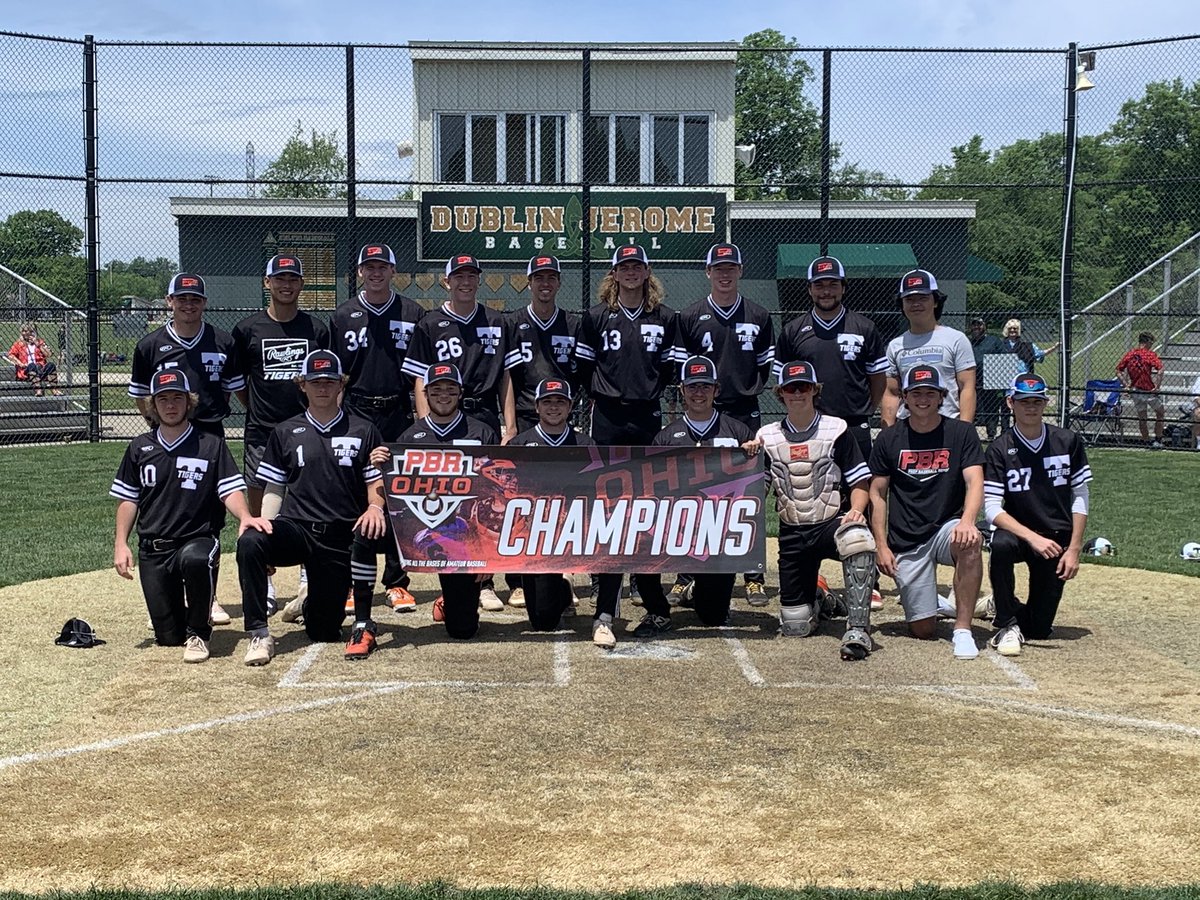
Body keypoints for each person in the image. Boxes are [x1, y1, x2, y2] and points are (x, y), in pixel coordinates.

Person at [236, 350, 387, 666]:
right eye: (315, 381)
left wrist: (375, 507)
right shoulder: (286, 430)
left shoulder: (363, 429)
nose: (323, 387)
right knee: (251, 541)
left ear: (341, 385)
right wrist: (265, 523)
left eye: (330, 381)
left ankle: (308, 603)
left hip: (339, 535)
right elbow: (275, 487)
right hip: (297, 527)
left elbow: (375, 485)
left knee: (323, 630)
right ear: (302, 385)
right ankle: (259, 632)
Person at [110, 369, 270, 663]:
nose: (170, 405)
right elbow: (128, 499)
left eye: (177, 398)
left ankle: (200, 631)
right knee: (168, 637)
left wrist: (245, 516)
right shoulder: (139, 448)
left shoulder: (210, 444)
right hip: (154, 547)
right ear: (152, 406)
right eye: (163, 399)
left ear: (189, 402)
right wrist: (121, 543)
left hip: (197, 538)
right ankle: (184, 617)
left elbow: (229, 488)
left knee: (196, 559)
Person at [576, 244, 682, 649]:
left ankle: (650, 591)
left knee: (647, 505)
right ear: (614, 273)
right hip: (608, 417)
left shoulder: (665, 318)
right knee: (608, 508)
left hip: (647, 416)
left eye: (638, 266)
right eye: (625, 267)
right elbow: (583, 369)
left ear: (647, 271)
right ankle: (606, 605)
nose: (631, 272)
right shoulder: (597, 317)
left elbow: (671, 370)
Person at [128, 273, 244, 625]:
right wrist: (159, 428)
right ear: (169, 301)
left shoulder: (223, 341)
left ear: (204, 303)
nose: (188, 305)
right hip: (166, 436)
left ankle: (208, 597)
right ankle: (166, 593)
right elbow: (140, 396)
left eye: (195, 299)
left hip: (207, 433)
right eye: (182, 298)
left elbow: (229, 390)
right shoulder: (150, 345)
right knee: (165, 510)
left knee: (209, 516)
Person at [403, 253, 517, 612]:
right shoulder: (430, 322)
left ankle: (487, 580)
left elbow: (505, 376)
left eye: (471, 276)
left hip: (481, 412)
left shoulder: (496, 320)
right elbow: (420, 377)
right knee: (449, 500)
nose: (465, 282)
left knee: (485, 498)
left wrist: (509, 425)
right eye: (458, 276)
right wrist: (427, 427)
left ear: (478, 280)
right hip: (443, 413)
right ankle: (450, 575)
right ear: (446, 281)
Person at [774, 255, 888, 610]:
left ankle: (866, 581)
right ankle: (814, 575)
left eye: (832, 284)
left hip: (851, 427)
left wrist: (865, 414)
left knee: (858, 501)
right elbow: (784, 382)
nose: (826, 290)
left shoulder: (864, 327)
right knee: (808, 497)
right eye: (819, 284)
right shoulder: (794, 330)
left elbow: (878, 381)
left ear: (843, 287)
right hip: (809, 431)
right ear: (809, 289)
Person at [754, 361, 877, 660]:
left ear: (814, 391)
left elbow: (860, 480)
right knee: (796, 626)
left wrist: (857, 510)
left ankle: (859, 627)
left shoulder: (836, 429)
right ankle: (821, 598)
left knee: (858, 539)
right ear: (780, 393)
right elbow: (759, 491)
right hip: (792, 531)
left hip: (828, 523)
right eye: (790, 388)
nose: (797, 393)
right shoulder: (766, 436)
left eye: (804, 387)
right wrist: (748, 460)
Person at [675, 243, 775, 606]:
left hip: (743, 410)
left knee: (749, 493)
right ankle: (686, 573)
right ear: (708, 273)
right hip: (702, 411)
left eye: (731, 268)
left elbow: (767, 366)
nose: (725, 274)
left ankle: (753, 575)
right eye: (718, 269)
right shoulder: (691, 316)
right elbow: (681, 370)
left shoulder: (760, 316)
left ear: (740, 271)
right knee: (694, 491)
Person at [329, 243, 426, 614]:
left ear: (393, 271)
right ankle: (357, 581)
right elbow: (336, 376)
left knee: (398, 494)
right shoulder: (343, 315)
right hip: (356, 409)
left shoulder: (413, 312)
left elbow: (419, 374)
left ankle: (397, 582)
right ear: (358, 272)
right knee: (359, 495)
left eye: (382, 266)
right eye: (368, 266)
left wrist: (420, 418)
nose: (375, 272)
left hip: (398, 409)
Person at [232, 254, 330, 611]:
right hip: (262, 432)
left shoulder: (316, 329)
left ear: (301, 284)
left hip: (308, 431)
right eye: (280, 278)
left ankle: (308, 578)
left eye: (293, 279)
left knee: (308, 500)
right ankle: (266, 582)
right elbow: (241, 385)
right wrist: (261, 410)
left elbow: (326, 380)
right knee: (260, 510)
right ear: (267, 283)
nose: (286, 285)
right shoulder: (248, 330)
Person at [869, 364, 986, 659]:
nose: (923, 399)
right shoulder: (889, 438)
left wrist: (968, 521)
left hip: (947, 526)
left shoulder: (961, 432)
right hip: (907, 537)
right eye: (916, 392)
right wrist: (881, 546)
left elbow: (975, 482)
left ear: (942, 396)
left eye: (930, 393)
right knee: (923, 630)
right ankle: (934, 602)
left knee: (970, 542)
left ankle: (962, 629)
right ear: (905, 397)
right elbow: (878, 495)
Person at [638, 356, 760, 635]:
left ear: (717, 390)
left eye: (705, 386)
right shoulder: (667, 437)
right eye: (692, 387)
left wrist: (753, 456)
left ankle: (696, 590)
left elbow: (757, 481)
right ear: (682, 390)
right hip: (676, 525)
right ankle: (657, 610)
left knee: (713, 617)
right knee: (641, 542)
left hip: (717, 531)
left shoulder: (738, 432)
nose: (699, 393)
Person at [983, 373, 1092, 655]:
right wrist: (1032, 537)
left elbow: (1080, 496)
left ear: (1045, 403)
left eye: (1036, 401)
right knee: (1001, 544)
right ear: (1010, 402)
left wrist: (1074, 549)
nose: (1030, 407)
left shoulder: (1067, 441)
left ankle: (1000, 604)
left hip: (1055, 537)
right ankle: (1006, 621)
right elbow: (993, 509)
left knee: (1039, 629)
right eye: (1023, 401)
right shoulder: (999, 448)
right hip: (1019, 533)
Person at [391, 363, 500, 639]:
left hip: (464, 536)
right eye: (436, 389)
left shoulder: (481, 432)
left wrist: (485, 556)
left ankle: (449, 600)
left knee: (462, 630)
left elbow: (494, 496)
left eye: (450, 389)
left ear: (460, 393)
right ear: (425, 394)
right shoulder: (409, 437)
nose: (443, 395)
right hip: (427, 530)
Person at [500, 255, 584, 608]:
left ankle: (562, 569)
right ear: (529, 281)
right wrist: (510, 426)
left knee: (562, 498)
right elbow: (506, 377)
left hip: (561, 416)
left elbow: (582, 375)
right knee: (521, 500)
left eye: (551, 277)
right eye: (539, 277)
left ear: (559, 282)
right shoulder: (514, 322)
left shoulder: (573, 323)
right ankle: (517, 579)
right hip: (525, 417)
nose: (545, 283)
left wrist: (576, 420)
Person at [508, 377, 595, 631]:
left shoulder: (586, 445)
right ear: (536, 407)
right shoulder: (520, 444)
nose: (554, 407)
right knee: (542, 620)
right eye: (547, 402)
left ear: (570, 407)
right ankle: (563, 589)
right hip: (533, 533)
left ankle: (562, 582)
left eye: (560, 402)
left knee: (547, 619)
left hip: (571, 529)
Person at [881, 269, 976, 427]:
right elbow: (891, 393)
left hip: (948, 427)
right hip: (907, 430)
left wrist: (964, 431)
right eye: (909, 299)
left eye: (923, 298)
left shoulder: (956, 339)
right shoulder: (895, 345)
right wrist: (887, 434)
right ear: (902, 304)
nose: (916, 304)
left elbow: (967, 387)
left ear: (936, 301)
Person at [1115, 331, 1166, 448]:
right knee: (1161, 412)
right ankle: (1158, 439)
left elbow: (1118, 370)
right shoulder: (1149, 354)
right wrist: (1157, 386)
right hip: (1148, 389)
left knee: (1142, 417)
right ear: (1147, 341)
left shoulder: (1131, 354)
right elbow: (1160, 370)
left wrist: (1126, 385)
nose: (1152, 344)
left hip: (1135, 390)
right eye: (1151, 342)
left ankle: (1146, 441)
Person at [968, 317, 1008, 439]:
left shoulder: (994, 340)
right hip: (972, 380)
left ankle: (991, 435)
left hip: (991, 379)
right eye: (974, 325)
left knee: (992, 407)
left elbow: (1004, 357)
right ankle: (971, 436)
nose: (976, 327)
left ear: (984, 326)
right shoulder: (968, 342)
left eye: (979, 325)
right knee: (973, 408)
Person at [6, 322, 61, 395]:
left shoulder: (40, 342)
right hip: (26, 371)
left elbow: (48, 354)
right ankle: (38, 390)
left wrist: (38, 344)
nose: (27, 333)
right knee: (32, 365)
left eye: (31, 331)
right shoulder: (18, 344)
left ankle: (54, 390)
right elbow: (10, 355)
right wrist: (20, 364)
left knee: (51, 365)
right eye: (24, 331)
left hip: (40, 369)